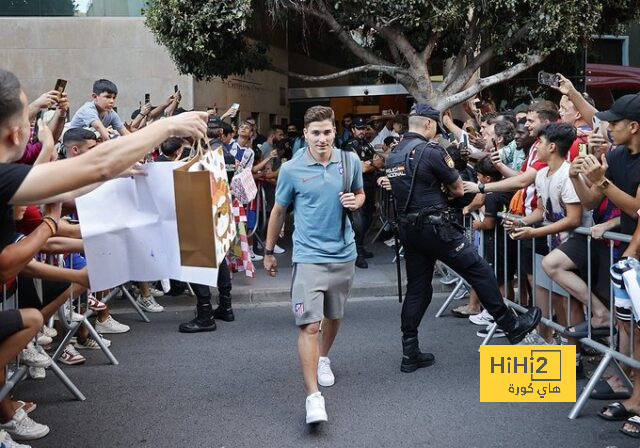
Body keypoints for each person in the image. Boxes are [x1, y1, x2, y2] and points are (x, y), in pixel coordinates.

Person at [384, 102, 541, 373]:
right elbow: (458, 189)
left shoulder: (393, 155)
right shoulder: (430, 151)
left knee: (418, 289)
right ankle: (511, 326)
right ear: (430, 125)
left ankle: (409, 350)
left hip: (410, 230)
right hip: (437, 228)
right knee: (479, 270)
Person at [263, 105, 364, 425]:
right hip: (307, 257)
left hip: (344, 253)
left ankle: (324, 357)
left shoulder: (349, 161)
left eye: (327, 132)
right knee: (309, 325)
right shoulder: (292, 169)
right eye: (315, 133)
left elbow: (360, 194)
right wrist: (268, 251)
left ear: (335, 132)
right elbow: (279, 211)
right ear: (305, 134)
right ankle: (312, 397)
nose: (322, 138)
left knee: (334, 316)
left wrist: (356, 200)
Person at [342, 116, 376, 268]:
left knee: (368, 218)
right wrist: (372, 164)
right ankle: (357, 253)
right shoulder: (349, 145)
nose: (362, 131)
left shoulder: (366, 144)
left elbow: (377, 162)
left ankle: (361, 247)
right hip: (356, 187)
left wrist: (371, 164)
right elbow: (362, 168)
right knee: (359, 221)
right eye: (359, 128)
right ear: (353, 129)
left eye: (364, 128)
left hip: (369, 185)